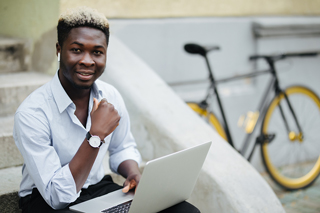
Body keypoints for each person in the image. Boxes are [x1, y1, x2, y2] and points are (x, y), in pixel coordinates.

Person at [13, 7, 200, 213]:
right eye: (76, 50)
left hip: (96, 187)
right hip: (45, 199)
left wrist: (133, 173)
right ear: (59, 49)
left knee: (184, 211)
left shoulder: (110, 96)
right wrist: (95, 135)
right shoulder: (32, 113)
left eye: (97, 52)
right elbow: (56, 196)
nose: (87, 60)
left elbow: (122, 147)